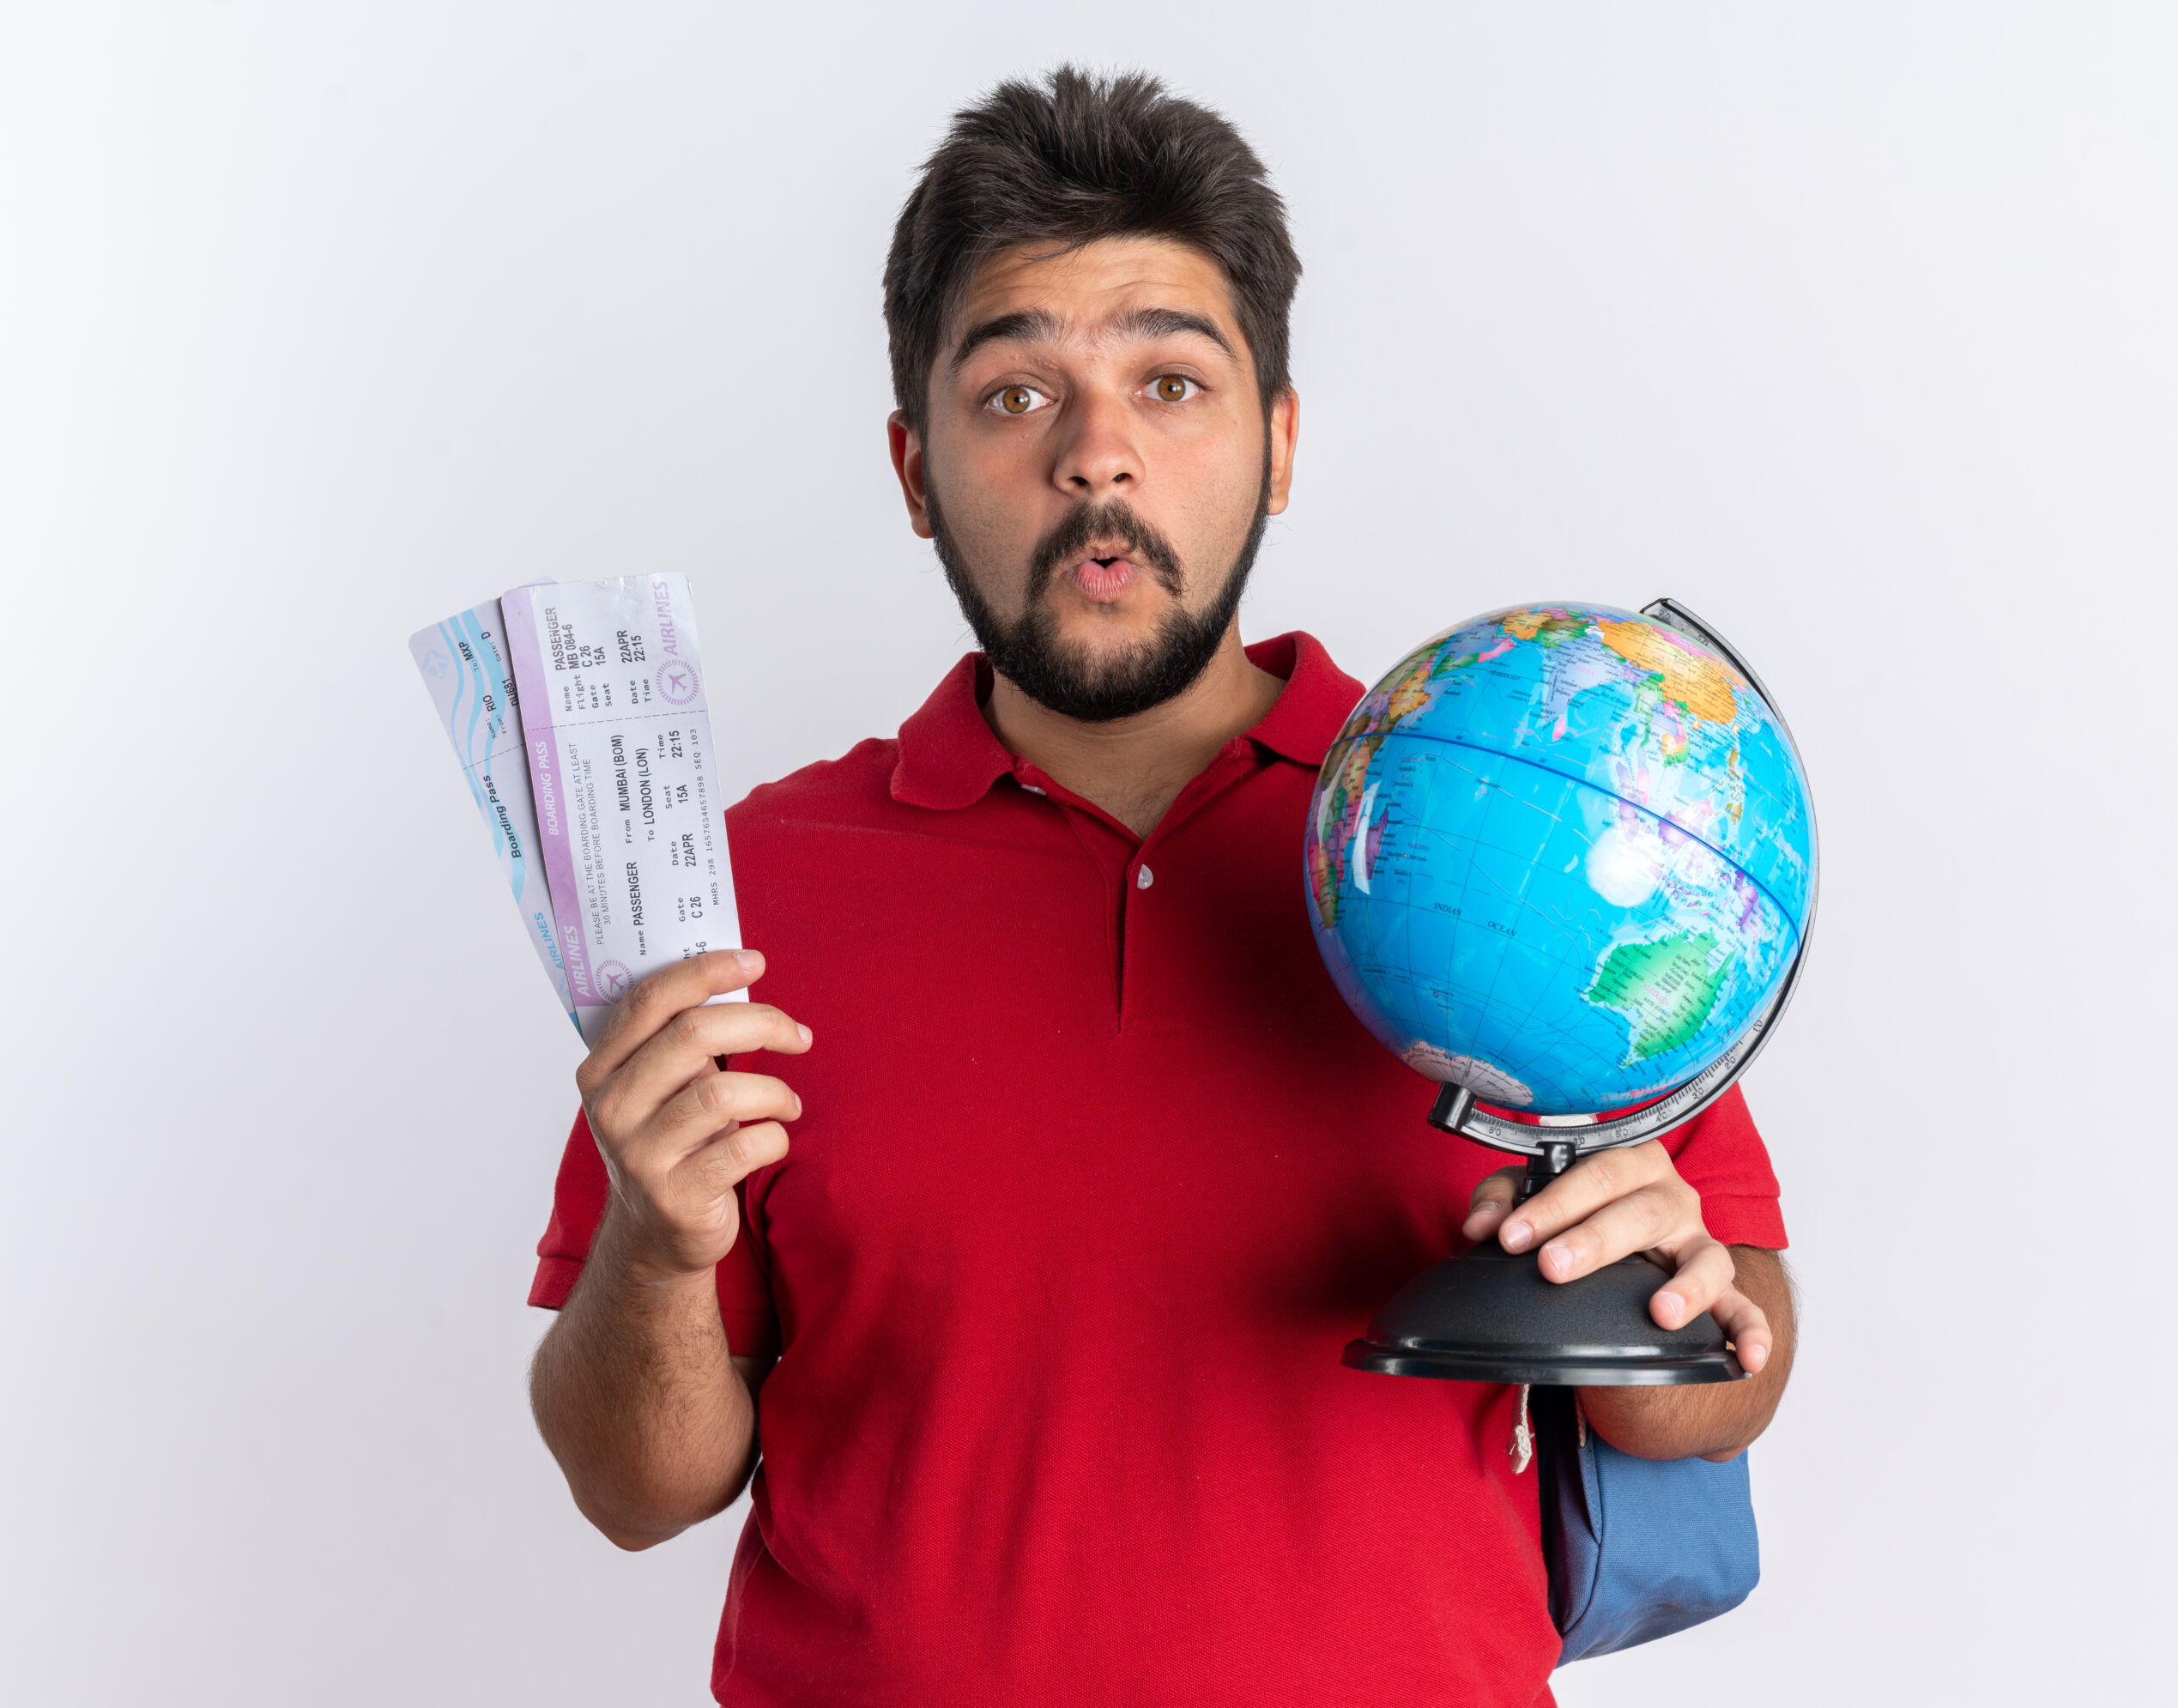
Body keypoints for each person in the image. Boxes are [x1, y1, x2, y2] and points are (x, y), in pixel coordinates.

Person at [527, 66, 1795, 1707]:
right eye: (1015, 395)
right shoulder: (751, 887)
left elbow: (1714, 1385)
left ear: (1275, 443)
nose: (1097, 458)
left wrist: (1679, 1288)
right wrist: (651, 1236)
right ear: (915, 470)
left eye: (1173, 383)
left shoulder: (1527, 825)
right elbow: (641, 1491)